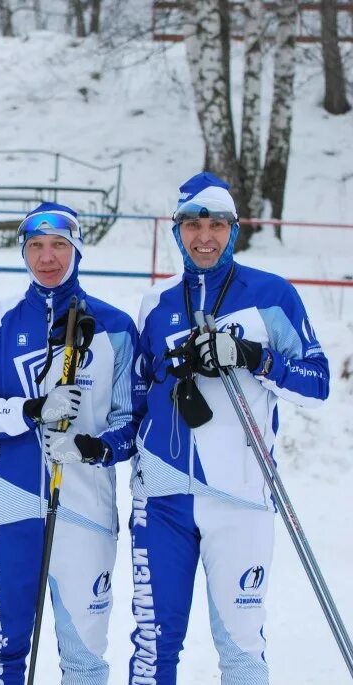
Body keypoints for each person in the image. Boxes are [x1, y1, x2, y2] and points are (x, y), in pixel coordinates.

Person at [127, 172, 329, 684]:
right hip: (163, 499)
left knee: (241, 650)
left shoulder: (271, 295)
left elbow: (317, 382)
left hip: (241, 497)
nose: (204, 236)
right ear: (178, 232)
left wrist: (254, 356)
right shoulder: (156, 304)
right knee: (153, 648)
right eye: (192, 224)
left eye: (216, 224)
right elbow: (134, 396)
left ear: (232, 230)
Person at [0, 202, 145, 685]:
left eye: (59, 245)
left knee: (85, 657)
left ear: (77, 250)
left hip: (87, 506)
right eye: (35, 246)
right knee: (3, 651)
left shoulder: (117, 328)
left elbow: (134, 422)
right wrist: (29, 410)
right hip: (9, 501)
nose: (47, 257)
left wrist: (94, 448)